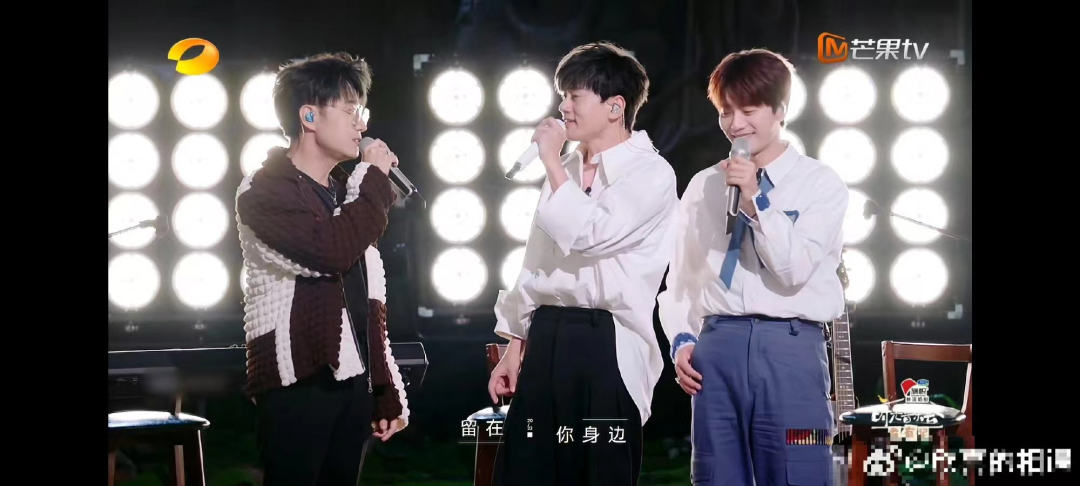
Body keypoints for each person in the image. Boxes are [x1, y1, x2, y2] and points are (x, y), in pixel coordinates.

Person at [487, 41, 679, 486]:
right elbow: (534, 263)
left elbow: (591, 234)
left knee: (597, 472)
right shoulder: (567, 169)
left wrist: (551, 164)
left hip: (607, 340)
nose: (563, 108)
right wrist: (514, 346)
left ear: (615, 107)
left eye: (574, 96)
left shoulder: (650, 173)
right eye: (563, 96)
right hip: (546, 334)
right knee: (526, 472)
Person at [657, 48, 848, 486]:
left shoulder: (820, 184)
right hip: (717, 347)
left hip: (790, 349)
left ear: (780, 110)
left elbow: (793, 270)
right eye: (726, 111)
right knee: (716, 476)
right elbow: (681, 281)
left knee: (799, 473)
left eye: (748, 110)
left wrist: (754, 199)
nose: (735, 124)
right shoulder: (704, 185)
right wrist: (682, 339)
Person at [234, 51, 410, 486]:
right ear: (309, 116)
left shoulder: (344, 193)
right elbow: (330, 251)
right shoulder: (263, 189)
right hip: (296, 380)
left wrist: (386, 388)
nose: (361, 125)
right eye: (350, 111)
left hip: (353, 382)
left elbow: (367, 301)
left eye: (362, 112)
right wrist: (372, 180)